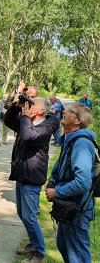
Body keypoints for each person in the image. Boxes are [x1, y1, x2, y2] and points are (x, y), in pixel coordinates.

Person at [4, 98, 58, 263]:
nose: (28, 107)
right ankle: (34, 245)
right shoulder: (27, 121)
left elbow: (27, 136)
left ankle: (40, 252)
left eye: (32, 105)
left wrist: (25, 117)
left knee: (30, 217)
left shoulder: (46, 128)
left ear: (41, 111)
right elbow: (7, 120)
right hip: (22, 175)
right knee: (23, 214)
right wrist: (16, 106)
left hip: (32, 178)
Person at [45, 103, 95, 263]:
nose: (64, 111)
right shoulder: (70, 140)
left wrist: (57, 192)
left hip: (78, 210)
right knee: (64, 247)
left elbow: (83, 182)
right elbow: (63, 168)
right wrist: (52, 181)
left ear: (78, 121)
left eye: (70, 111)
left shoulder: (81, 143)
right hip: (69, 208)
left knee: (77, 256)